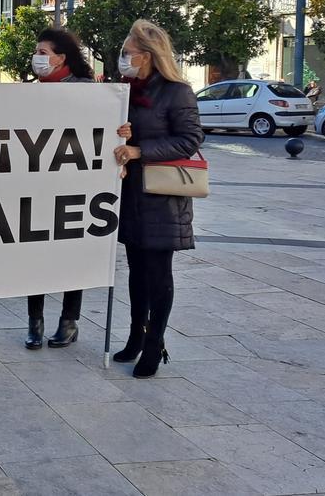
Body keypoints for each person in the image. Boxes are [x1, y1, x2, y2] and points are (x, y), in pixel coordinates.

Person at [24, 29, 132, 350]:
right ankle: (35, 321)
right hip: (35, 187)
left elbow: (106, 133)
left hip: (75, 186)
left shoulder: (89, 91)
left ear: (62, 57)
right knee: (36, 255)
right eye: (37, 51)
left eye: (43, 51)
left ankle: (69, 321)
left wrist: (122, 133)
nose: (38, 57)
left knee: (73, 254)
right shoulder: (28, 93)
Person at [111, 20, 203, 379]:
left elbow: (190, 139)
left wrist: (139, 149)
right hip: (133, 192)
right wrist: (124, 131)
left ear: (147, 56)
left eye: (127, 53)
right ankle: (136, 335)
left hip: (163, 195)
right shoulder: (127, 90)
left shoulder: (177, 91)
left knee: (158, 274)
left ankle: (155, 344)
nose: (122, 59)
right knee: (136, 271)